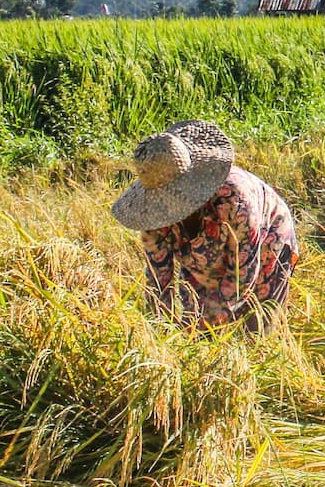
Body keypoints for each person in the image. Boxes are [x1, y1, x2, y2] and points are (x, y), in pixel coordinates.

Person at [111, 119, 298, 332]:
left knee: (256, 327)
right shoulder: (152, 216)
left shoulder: (235, 201)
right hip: (203, 258)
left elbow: (242, 277)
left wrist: (203, 328)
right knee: (196, 316)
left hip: (267, 245)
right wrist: (160, 334)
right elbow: (158, 280)